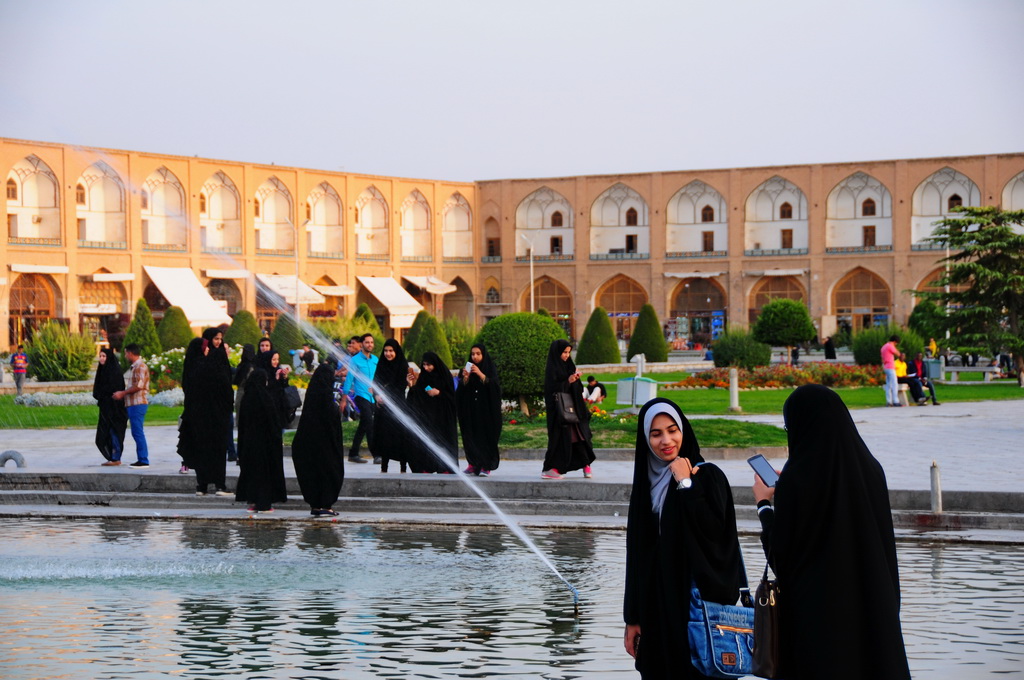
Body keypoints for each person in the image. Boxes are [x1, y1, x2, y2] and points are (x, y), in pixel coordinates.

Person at [752, 385, 910, 680]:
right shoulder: (872, 471)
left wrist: (764, 505)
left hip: (818, 631)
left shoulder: (796, 481)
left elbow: (782, 560)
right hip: (874, 619)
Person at [623, 398, 748, 679]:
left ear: (683, 430)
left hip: (695, 612)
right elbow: (637, 556)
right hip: (656, 612)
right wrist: (632, 617)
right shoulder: (645, 487)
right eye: (656, 434)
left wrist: (685, 484)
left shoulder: (707, 476)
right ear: (646, 439)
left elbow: (717, 536)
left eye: (672, 430)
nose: (666, 440)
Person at [178, 329, 234, 496]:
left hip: (196, 415)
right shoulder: (211, 363)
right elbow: (223, 387)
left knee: (201, 449)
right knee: (217, 449)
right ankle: (219, 485)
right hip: (215, 415)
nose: (210, 347)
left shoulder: (193, 364)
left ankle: (202, 486)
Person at [292, 362, 345, 517]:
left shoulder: (312, 397)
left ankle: (315, 504)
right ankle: (326, 505)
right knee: (330, 472)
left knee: (313, 473)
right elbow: (332, 423)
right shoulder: (328, 401)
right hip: (327, 448)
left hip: (309, 446)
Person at [235, 367, 287, 514]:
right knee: (264, 474)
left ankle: (253, 501)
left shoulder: (247, 398)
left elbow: (242, 424)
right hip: (265, 445)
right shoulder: (265, 398)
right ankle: (264, 504)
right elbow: (273, 423)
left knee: (251, 472)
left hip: (249, 444)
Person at [541, 339, 595, 479]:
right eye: (564, 352)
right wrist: (567, 382)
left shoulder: (569, 366)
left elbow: (578, 389)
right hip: (559, 413)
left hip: (574, 410)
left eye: (568, 352)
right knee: (562, 438)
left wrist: (575, 379)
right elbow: (551, 390)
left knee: (580, 436)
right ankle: (553, 469)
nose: (566, 355)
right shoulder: (552, 368)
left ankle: (585, 465)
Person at [406, 351, 458, 473]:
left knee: (443, 441)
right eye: (424, 365)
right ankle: (425, 467)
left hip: (442, 417)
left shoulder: (445, 376)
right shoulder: (424, 377)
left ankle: (445, 467)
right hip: (427, 417)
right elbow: (416, 396)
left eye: (429, 365)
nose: (426, 368)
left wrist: (439, 393)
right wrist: (411, 385)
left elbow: (452, 398)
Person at [457, 343, 502, 476]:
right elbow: (460, 392)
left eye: (478, 354)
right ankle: (473, 464)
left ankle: (486, 466)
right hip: (471, 411)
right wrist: (465, 379)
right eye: (473, 354)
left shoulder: (489, 369)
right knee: (470, 437)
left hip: (486, 412)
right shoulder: (467, 370)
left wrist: (481, 375)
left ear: (483, 355)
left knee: (485, 438)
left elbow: (495, 388)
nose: (475, 357)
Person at [374, 339, 411, 473]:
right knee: (385, 437)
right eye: (385, 351)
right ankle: (384, 468)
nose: (388, 354)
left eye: (391, 351)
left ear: (396, 351)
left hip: (399, 406)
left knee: (401, 438)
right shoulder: (381, 365)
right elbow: (375, 383)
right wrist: (377, 396)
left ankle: (403, 468)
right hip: (384, 409)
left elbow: (404, 385)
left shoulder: (403, 365)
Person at [112, 343, 150, 468]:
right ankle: (142, 458)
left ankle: (143, 459)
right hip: (133, 404)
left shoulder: (140, 367)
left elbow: (138, 386)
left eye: (126, 353)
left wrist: (122, 393)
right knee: (136, 431)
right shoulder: (135, 367)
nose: (125, 355)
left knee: (137, 431)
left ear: (130, 353)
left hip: (137, 403)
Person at [344, 333, 378, 464]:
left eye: (371, 342)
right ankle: (376, 454)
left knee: (364, 424)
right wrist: (344, 397)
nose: (370, 344)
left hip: (373, 397)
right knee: (369, 422)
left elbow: (379, 377)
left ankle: (353, 453)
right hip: (361, 395)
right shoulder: (355, 360)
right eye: (367, 342)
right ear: (362, 344)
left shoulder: (375, 360)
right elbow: (349, 379)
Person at [93, 347, 127, 464]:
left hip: (115, 408)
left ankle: (116, 457)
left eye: (104, 356)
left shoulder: (114, 371)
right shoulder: (102, 370)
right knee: (104, 433)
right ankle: (112, 457)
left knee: (114, 431)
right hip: (105, 408)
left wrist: (105, 395)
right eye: (100, 356)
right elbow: (98, 389)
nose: (101, 359)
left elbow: (115, 389)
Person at [257, 350, 292, 427]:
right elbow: (266, 388)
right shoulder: (262, 372)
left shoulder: (277, 369)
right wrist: (276, 378)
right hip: (269, 406)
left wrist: (284, 377)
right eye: (273, 359)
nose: (276, 362)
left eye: (277, 359)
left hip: (280, 405)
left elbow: (285, 386)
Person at [881, 334, 901, 407]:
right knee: (894, 384)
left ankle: (889, 401)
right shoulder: (890, 346)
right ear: (895, 342)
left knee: (888, 385)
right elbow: (898, 354)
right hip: (890, 367)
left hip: (885, 367)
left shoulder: (884, 346)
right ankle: (896, 400)